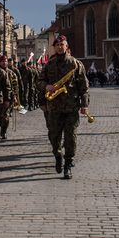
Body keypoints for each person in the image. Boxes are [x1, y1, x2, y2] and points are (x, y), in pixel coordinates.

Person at [40, 33, 90, 179]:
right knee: (54, 137)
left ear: (67, 47)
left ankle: (68, 164)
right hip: (54, 108)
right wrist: (47, 86)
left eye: (62, 45)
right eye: (57, 45)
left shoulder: (75, 64)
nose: (60, 47)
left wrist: (84, 105)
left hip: (71, 107)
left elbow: (84, 87)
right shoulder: (49, 64)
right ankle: (58, 155)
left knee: (71, 138)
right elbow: (39, 81)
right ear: (54, 48)